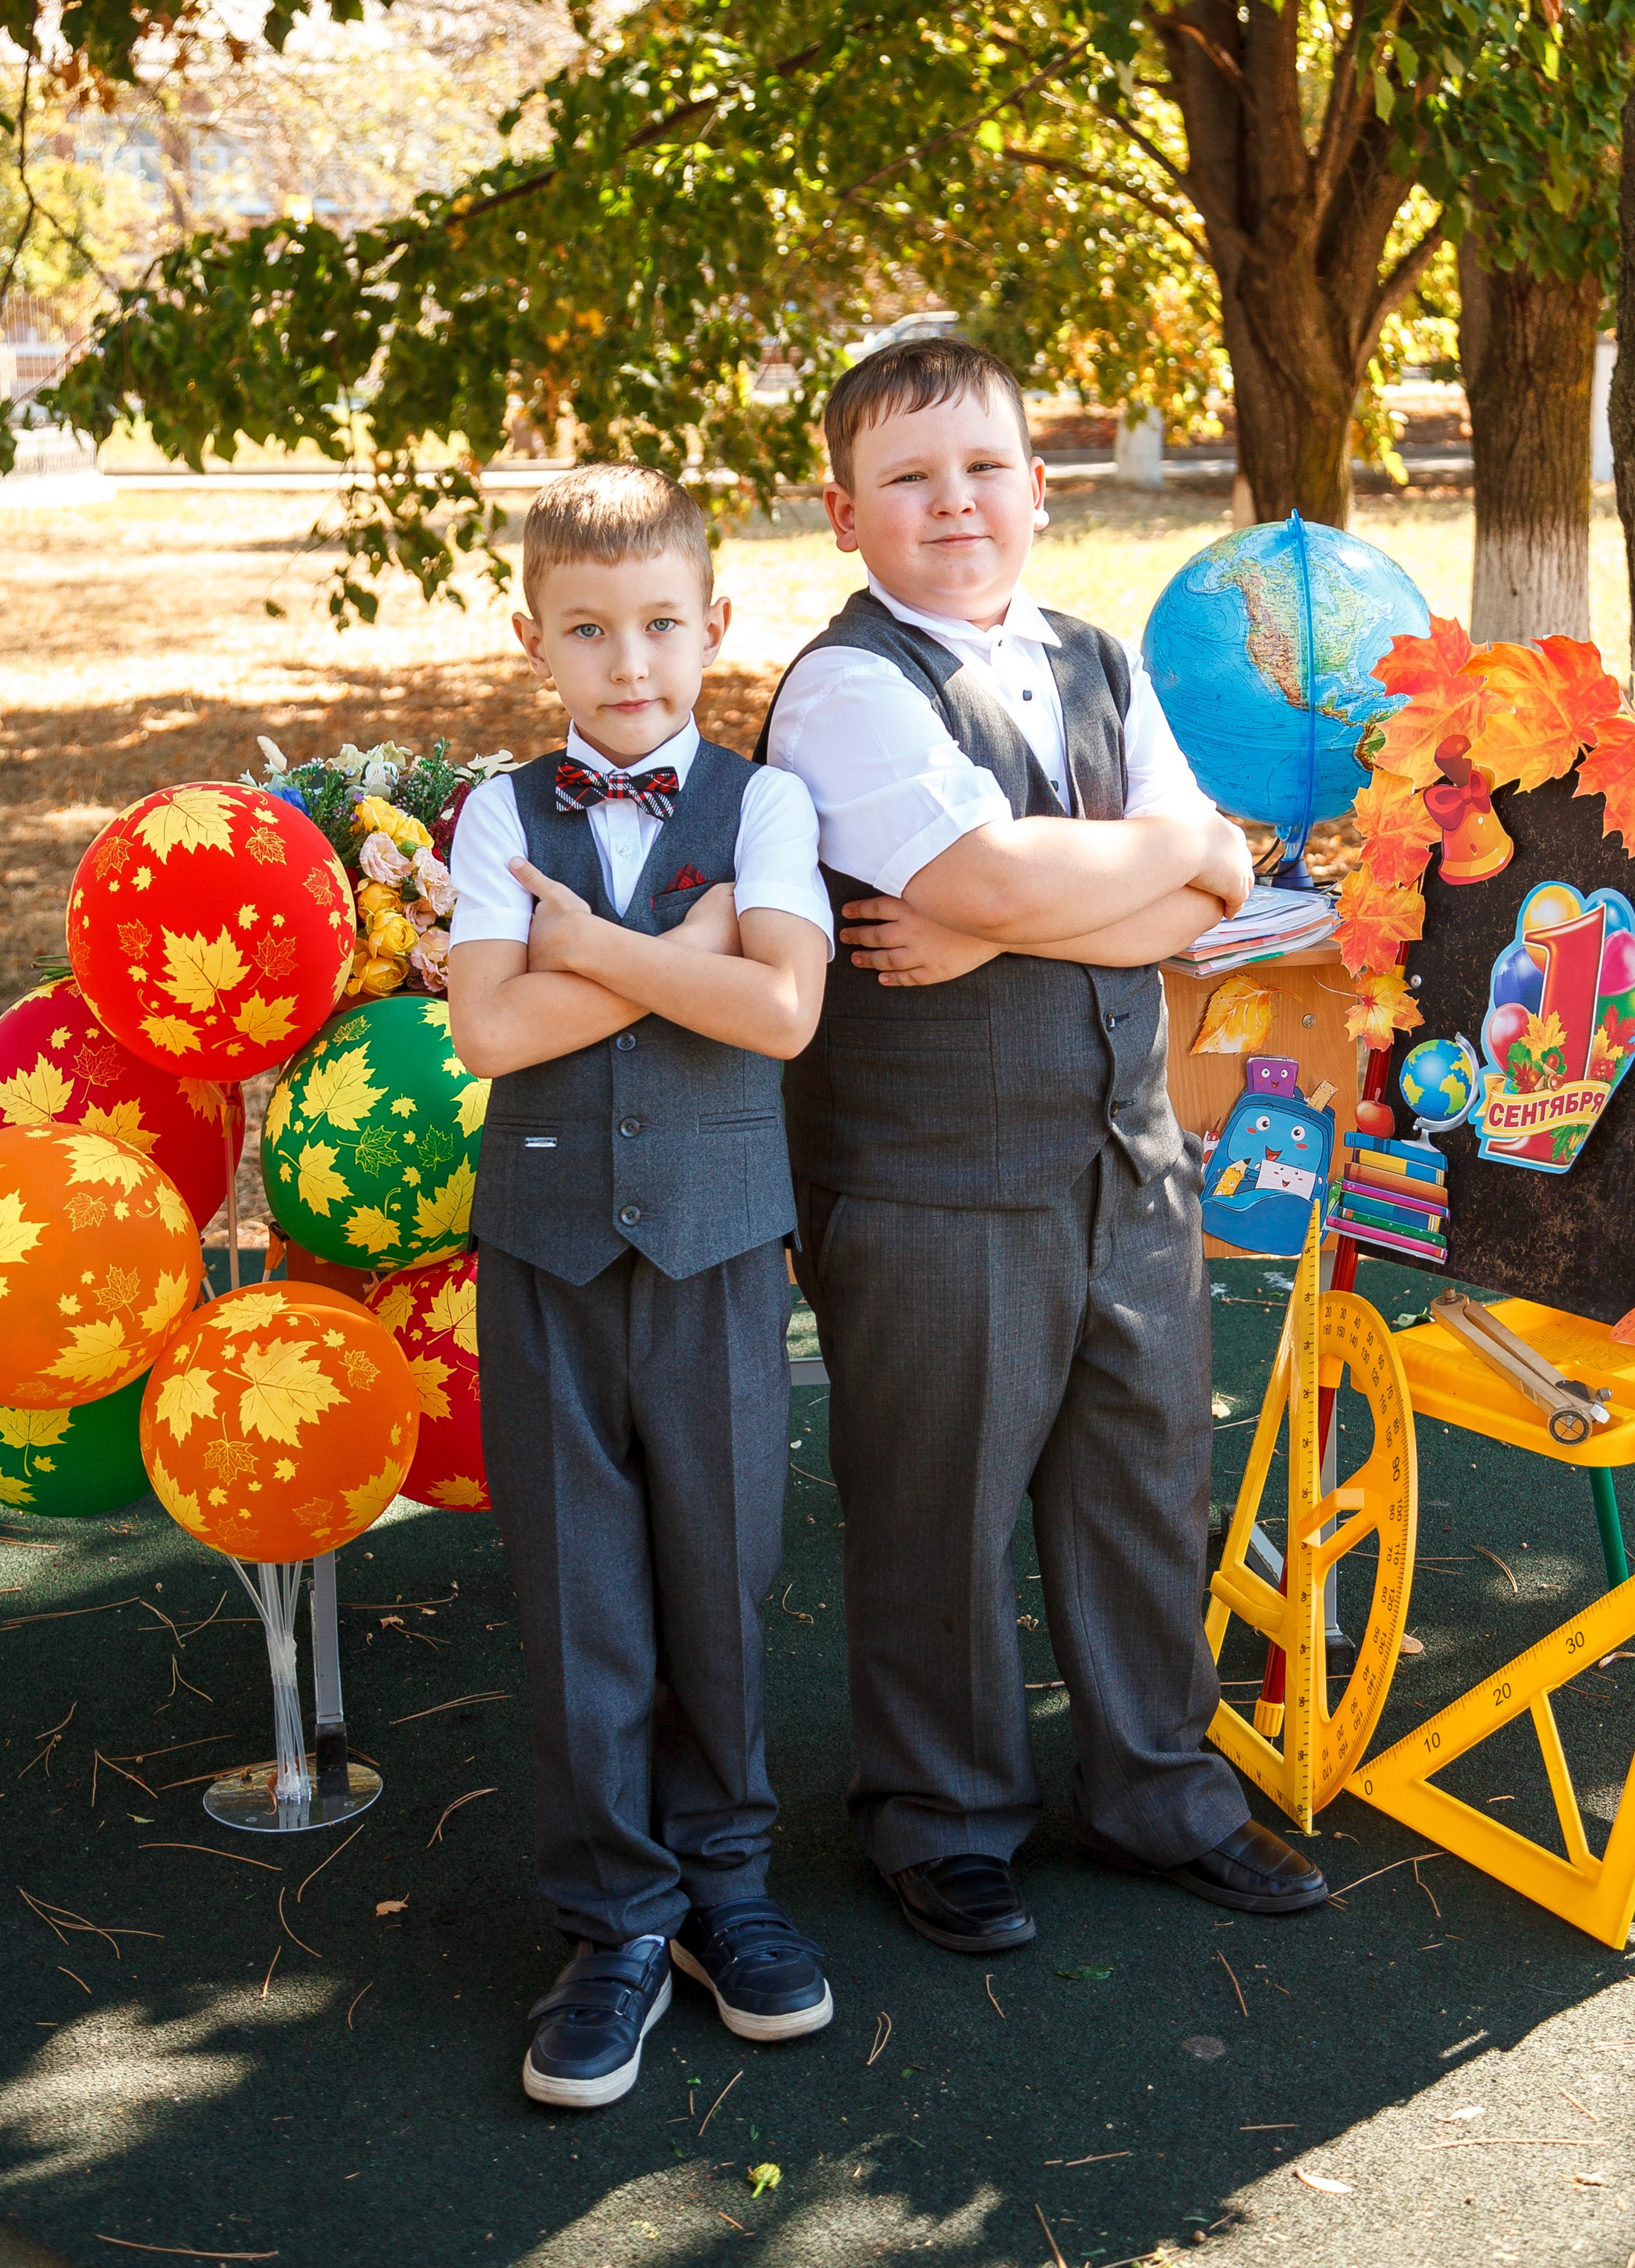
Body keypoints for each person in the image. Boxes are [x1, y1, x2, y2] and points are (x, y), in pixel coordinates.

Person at [762, 337, 1329, 1956]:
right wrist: (1154, 865)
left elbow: (1202, 885)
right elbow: (1016, 877)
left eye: (984, 466)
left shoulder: (1095, 655)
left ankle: (1157, 1789)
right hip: (932, 1181)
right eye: (908, 477)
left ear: (1035, 483)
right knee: (936, 1502)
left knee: (1144, 1482)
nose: (954, 502)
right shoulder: (847, 685)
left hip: (1124, 1160)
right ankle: (935, 1817)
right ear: (844, 512)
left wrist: (1065, 898)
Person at [447, 464, 836, 2110]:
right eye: (589, 631)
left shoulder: (765, 807)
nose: (629, 662)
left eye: (661, 625)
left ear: (715, 626)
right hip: (542, 1262)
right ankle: (612, 1919)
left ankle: (726, 1896)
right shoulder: (492, 817)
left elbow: (784, 1015)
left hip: (721, 1256)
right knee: (578, 1596)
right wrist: (690, 965)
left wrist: (593, 949)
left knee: (719, 1575)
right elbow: (490, 1032)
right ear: (535, 639)